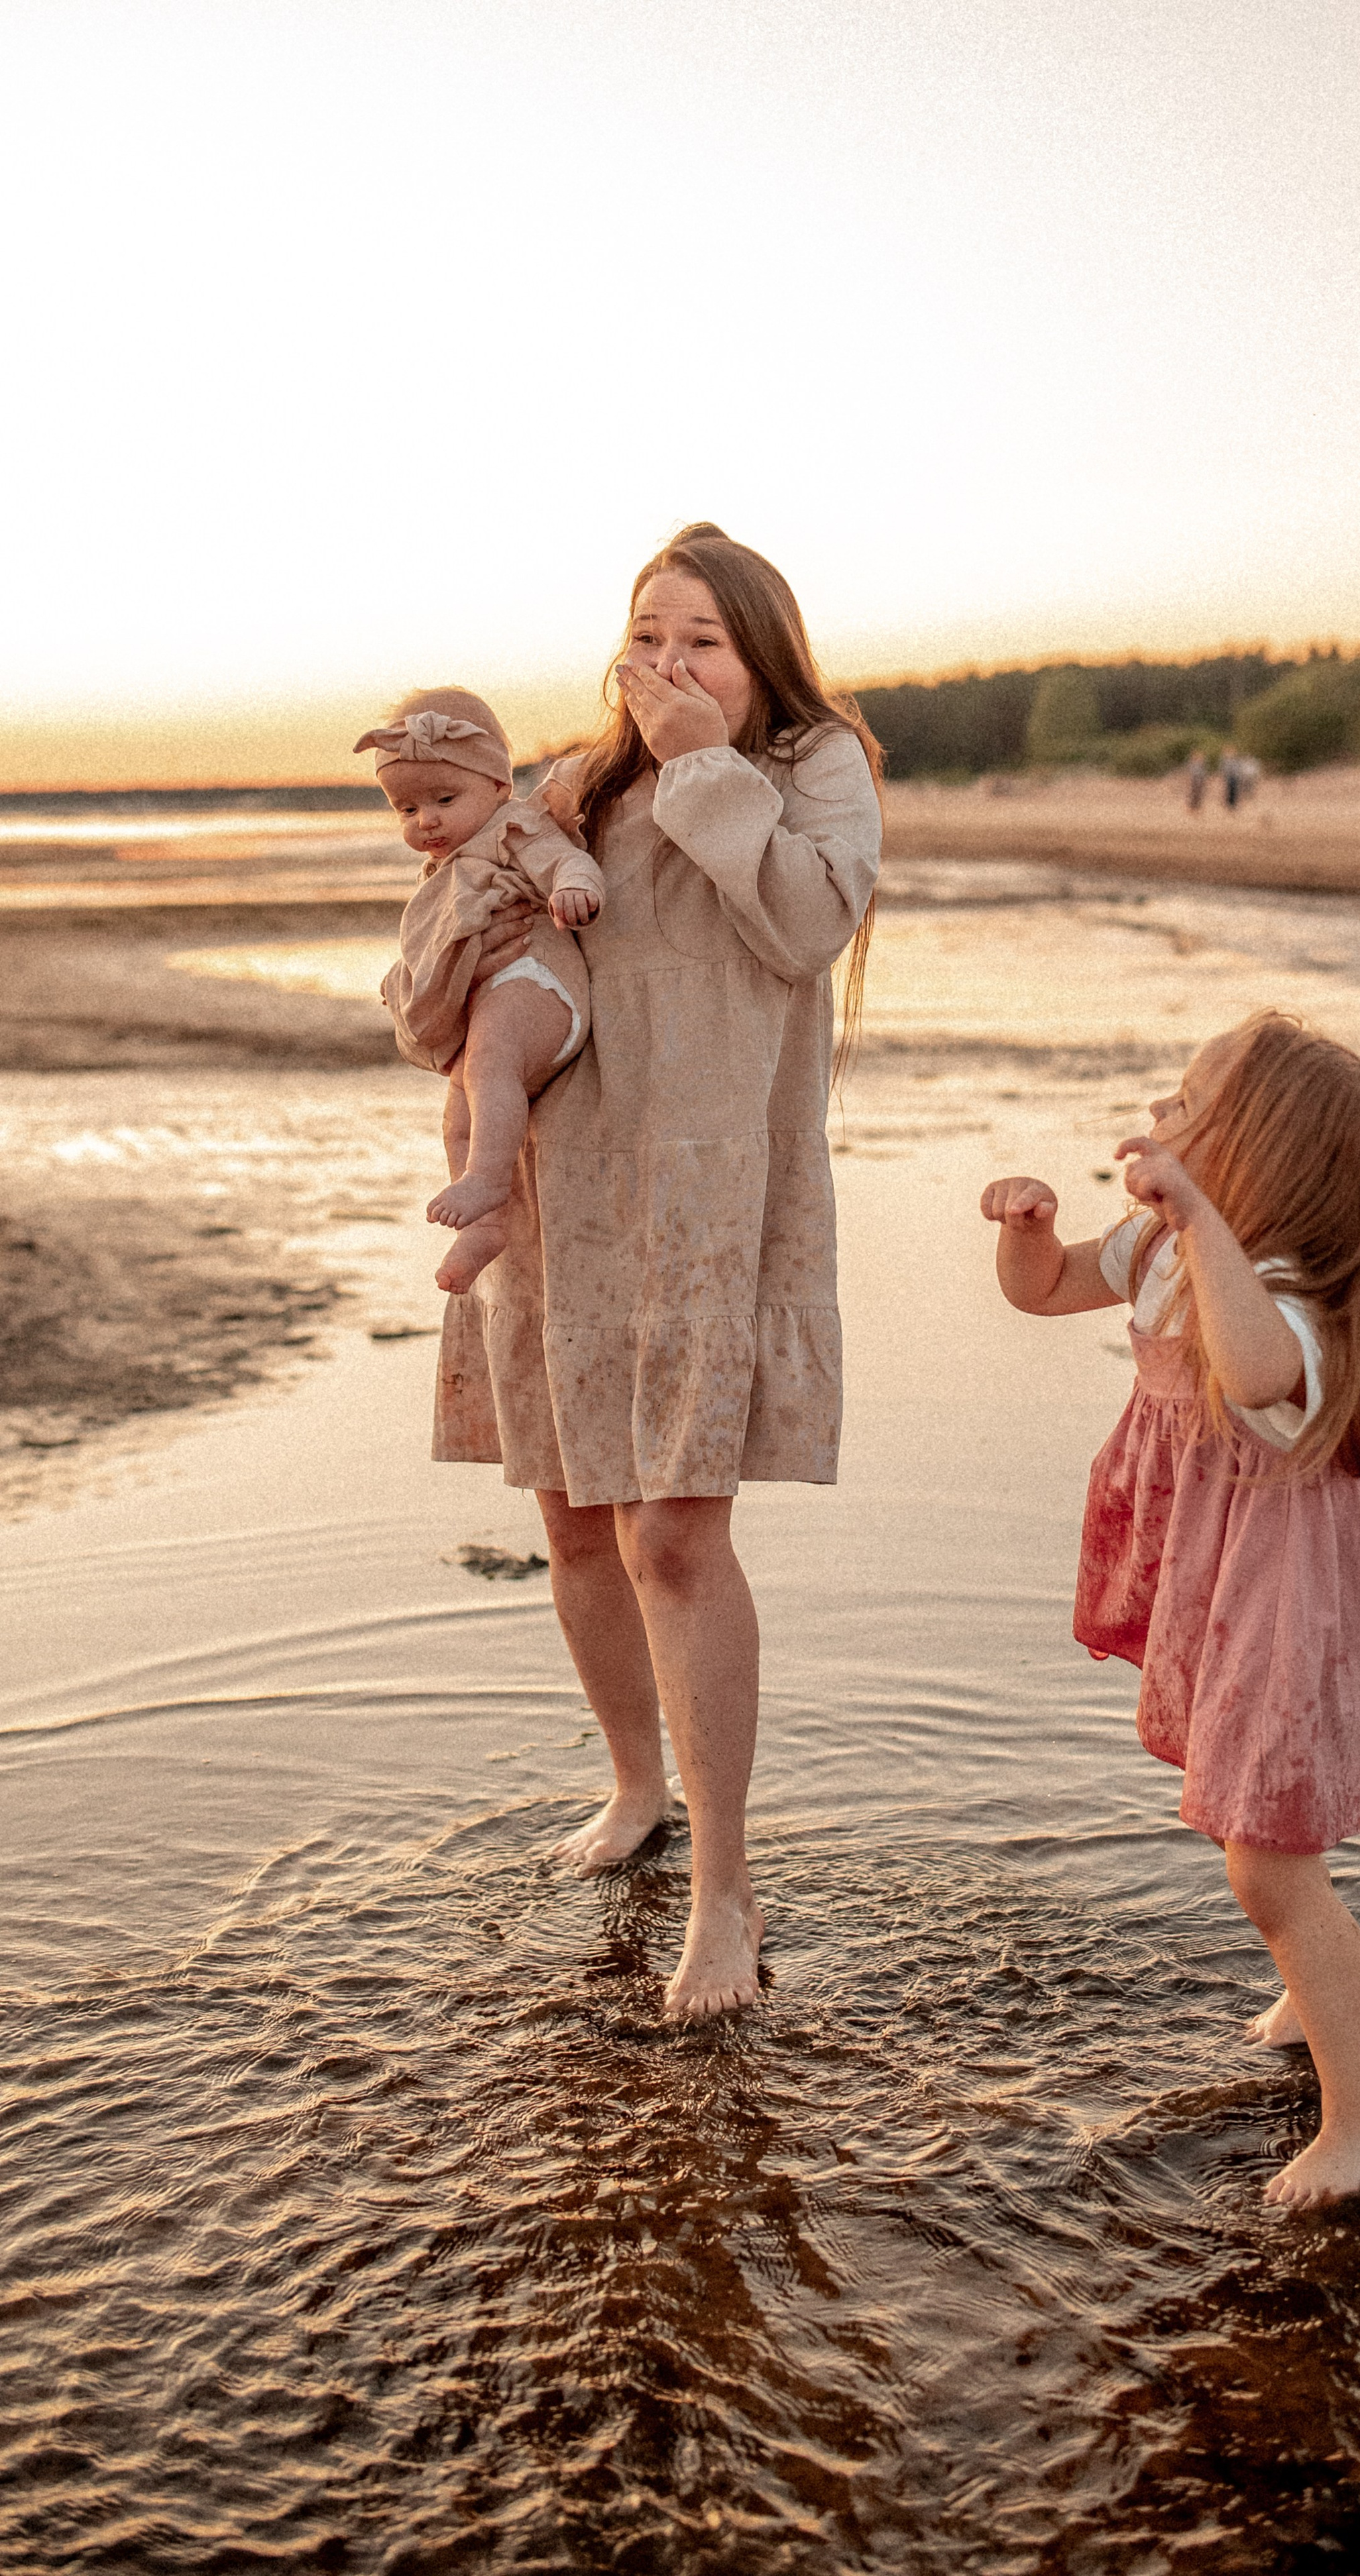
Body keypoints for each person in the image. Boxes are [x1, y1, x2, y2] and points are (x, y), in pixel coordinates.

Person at [386, 526, 884, 2021]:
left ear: (759, 655)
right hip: (567, 1192)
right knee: (574, 1519)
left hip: (709, 1193)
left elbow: (808, 923)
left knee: (673, 1533)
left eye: (702, 642)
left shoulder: (810, 765)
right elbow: (475, 950)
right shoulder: (570, 790)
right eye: (647, 637)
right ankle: (633, 1785)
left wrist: (700, 762)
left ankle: (725, 1890)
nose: (666, 664)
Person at [980, 1011, 1360, 2206]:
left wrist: (1201, 1221)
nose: (1160, 1114)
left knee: (1264, 1857)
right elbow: (1044, 1292)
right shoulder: (1166, 1249)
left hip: (1289, 1593)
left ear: (1259, 1154)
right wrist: (1029, 1232)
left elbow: (1257, 1370)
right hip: (1228, 1577)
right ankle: (1316, 1995)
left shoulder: (1287, 1299)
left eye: (1188, 1104)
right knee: (1263, 1824)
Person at [362, 689, 604, 1295]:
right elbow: (437, 939)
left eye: (444, 800)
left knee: (489, 1061)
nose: (426, 821)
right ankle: (486, 1225)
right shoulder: (441, 870)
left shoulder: (513, 829)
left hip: (537, 985)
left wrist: (575, 888)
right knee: (460, 1110)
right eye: (407, 809)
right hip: (499, 998)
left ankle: (489, 1180)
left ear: (498, 784)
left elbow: (564, 862)